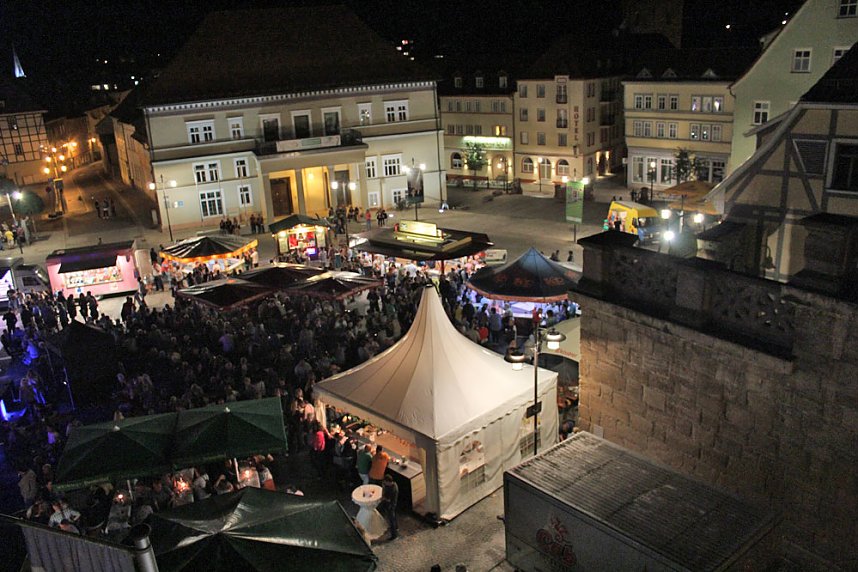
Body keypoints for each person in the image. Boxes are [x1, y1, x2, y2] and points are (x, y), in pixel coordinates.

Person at [381, 474, 399, 540]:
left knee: (391, 519)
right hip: (393, 504)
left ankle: (394, 535)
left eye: (385, 482)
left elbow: (388, 499)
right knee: (393, 517)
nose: (384, 483)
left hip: (391, 505)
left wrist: (383, 498)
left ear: (388, 482)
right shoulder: (394, 485)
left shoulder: (393, 489)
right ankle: (396, 527)